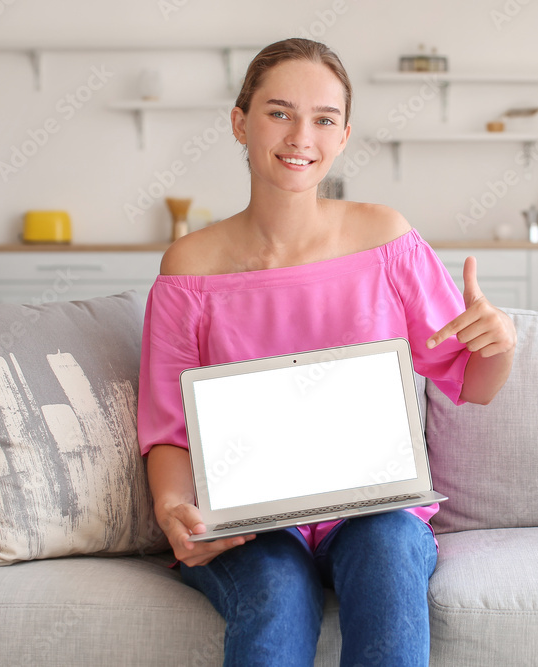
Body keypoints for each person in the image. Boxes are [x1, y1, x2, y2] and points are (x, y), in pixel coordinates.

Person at [136, 38, 516, 667]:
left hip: (376, 513)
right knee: (277, 591)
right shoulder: (189, 268)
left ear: (343, 136)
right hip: (252, 522)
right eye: (279, 112)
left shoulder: (387, 240)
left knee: (389, 552)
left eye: (323, 119)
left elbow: (474, 382)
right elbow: (169, 430)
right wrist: (174, 509)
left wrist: (499, 341)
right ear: (240, 122)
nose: (299, 136)